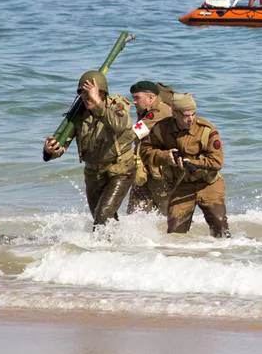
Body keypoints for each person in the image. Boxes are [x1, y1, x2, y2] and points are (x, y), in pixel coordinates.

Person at [41, 70, 137, 228]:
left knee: (102, 216)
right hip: (93, 173)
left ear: (102, 93)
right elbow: (61, 145)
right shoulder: (78, 115)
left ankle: (101, 248)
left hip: (120, 169)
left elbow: (119, 126)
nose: (86, 98)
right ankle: (115, 248)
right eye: (83, 94)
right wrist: (50, 151)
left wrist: (97, 102)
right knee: (103, 219)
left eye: (90, 94)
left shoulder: (117, 105)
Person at [139, 93, 229, 237]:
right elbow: (144, 149)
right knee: (175, 231)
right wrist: (165, 156)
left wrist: (191, 163)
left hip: (208, 183)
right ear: (174, 113)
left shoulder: (206, 130)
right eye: (186, 115)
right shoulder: (160, 127)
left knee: (220, 225)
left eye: (193, 114)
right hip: (181, 184)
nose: (191, 119)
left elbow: (217, 162)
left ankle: (222, 255)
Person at [126, 80, 173, 214]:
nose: (134, 101)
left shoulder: (159, 111)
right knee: (134, 213)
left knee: (169, 214)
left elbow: (135, 133)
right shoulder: (146, 111)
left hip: (160, 171)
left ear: (151, 98)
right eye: (133, 98)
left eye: (137, 98)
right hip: (145, 169)